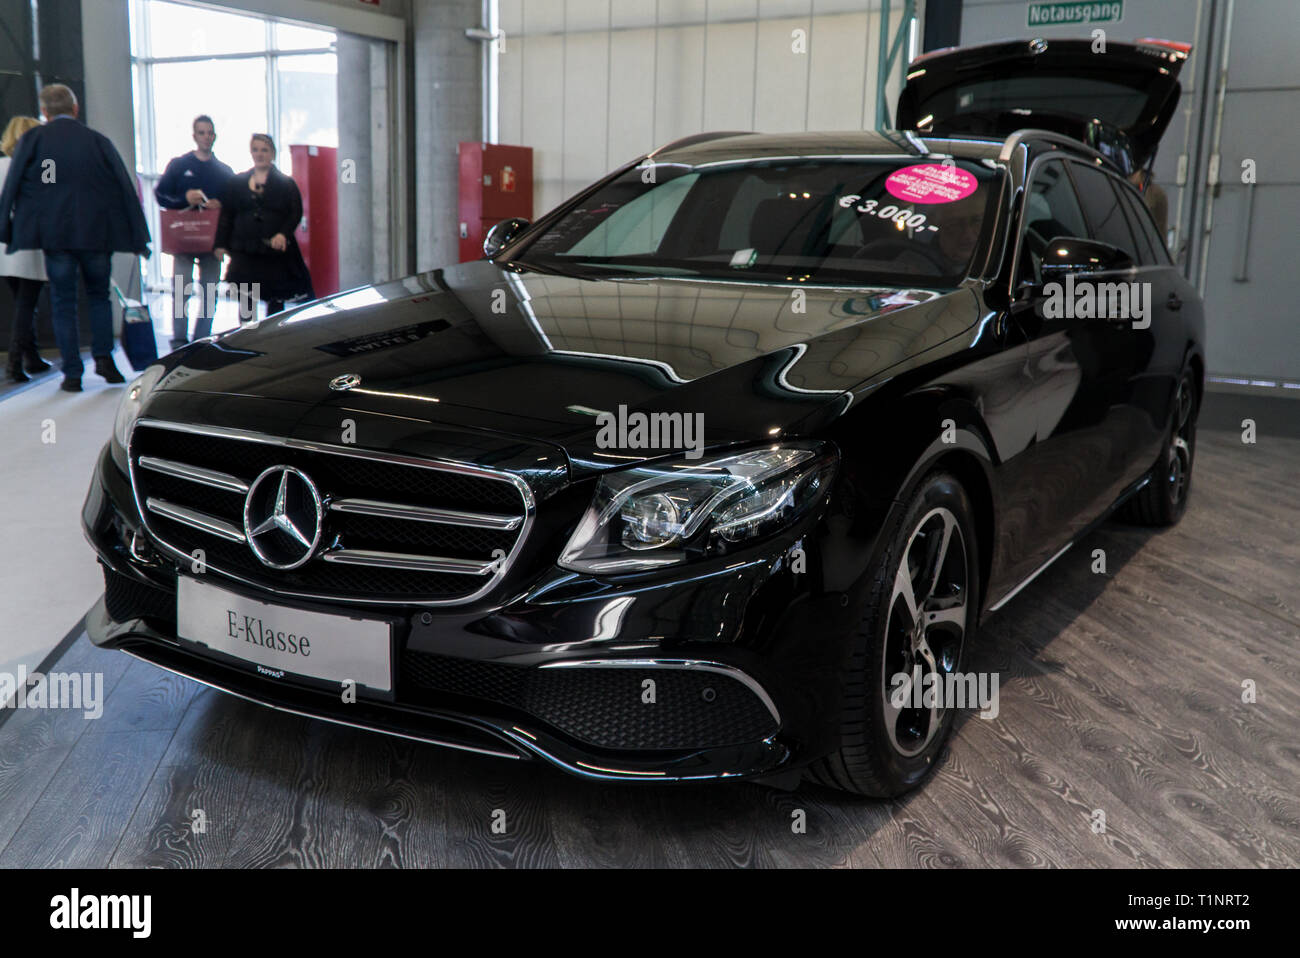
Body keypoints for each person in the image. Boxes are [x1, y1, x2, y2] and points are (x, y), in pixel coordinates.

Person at [0, 84, 151, 391]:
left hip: (56, 237)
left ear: (44, 111)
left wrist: (6, 228)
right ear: (75, 109)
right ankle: (105, 361)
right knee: (99, 297)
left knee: (63, 302)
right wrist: (139, 236)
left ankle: (72, 374)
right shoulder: (97, 141)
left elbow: (18, 184)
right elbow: (122, 186)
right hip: (97, 235)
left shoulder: (35, 141)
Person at [213, 133, 313, 320]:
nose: (260, 154)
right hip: (244, 249)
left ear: (272, 153)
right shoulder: (237, 183)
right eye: (256, 149)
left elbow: (295, 212)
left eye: (264, 150)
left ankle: (271, 339)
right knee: (246, 299)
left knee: (275, 299)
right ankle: (247, 339)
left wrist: (283, 234)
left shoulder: (286, 183)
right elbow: (227, 214)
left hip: (273, 251)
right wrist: (220, 244)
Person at [154, 114, 233, 348]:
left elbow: (234, 204)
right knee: (182, 289)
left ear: (215, 136)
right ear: (194, 135)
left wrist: (221, 203)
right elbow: (161, 195)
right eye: (202, 132)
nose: (206, 137)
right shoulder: (179, 165)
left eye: (210, 133)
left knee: (210, 291)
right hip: (183, 239)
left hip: (211, 240)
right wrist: (184, 199)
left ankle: (201, 339)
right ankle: (179, 339)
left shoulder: (224, 171)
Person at [0, 115, 50, 382]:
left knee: (22, 302)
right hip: (29, 246)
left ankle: (31, 357)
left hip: (3, 248)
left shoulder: (1, 165)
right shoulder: (40, 170)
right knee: (27, 304)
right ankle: (15, 363)